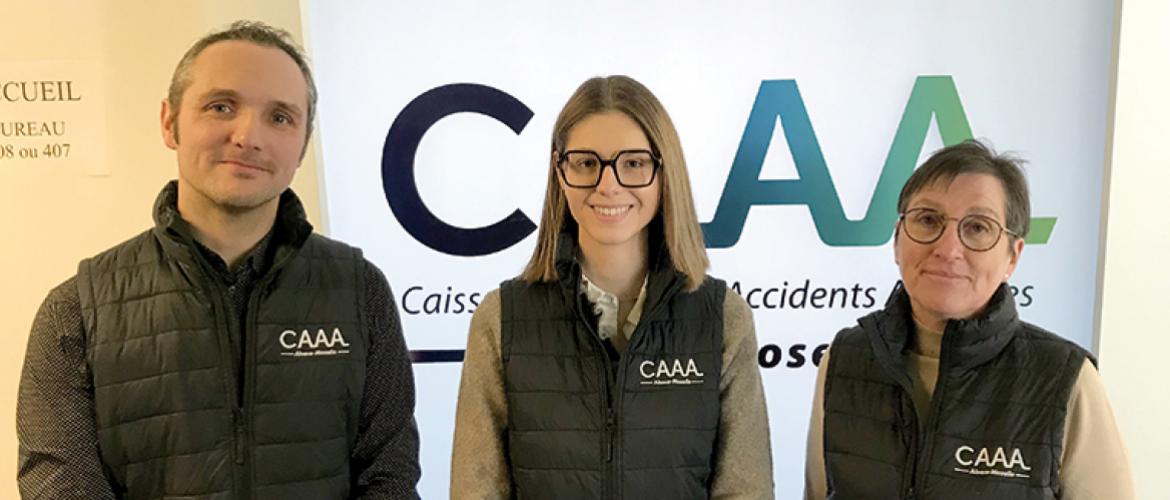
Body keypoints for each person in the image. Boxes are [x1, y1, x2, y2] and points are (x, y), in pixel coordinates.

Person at [16, 21, 420, 499]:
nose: (248, 136)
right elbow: (60, 486)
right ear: (169, 122)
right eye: (221, 107)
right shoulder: (78, 311)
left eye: (280, 117)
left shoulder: (359, 292)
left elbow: (390, 476)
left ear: (302, 146)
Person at [450, 75, 774, 499]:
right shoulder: (500, 320)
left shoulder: (724, 319)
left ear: (664, 172)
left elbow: (746, 490)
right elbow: (475, 491)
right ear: (559, 171)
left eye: (634, 164)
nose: (608, 185)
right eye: (586, 163)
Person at [803, 140, 1134, 499]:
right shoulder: (846, 359)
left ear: (1012, 256)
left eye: (978, 227)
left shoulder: (1064, 378)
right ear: (897, 240)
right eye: (928, 220)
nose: (948, 249)